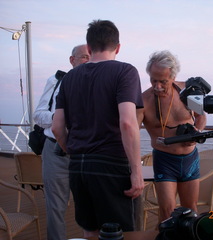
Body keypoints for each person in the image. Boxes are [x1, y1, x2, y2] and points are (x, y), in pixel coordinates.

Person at [52, 20, 144, 238]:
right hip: (111, 165)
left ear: (89, 47)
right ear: (118, 47)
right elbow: (128, 123)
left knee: (90, 231)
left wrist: (72, 150)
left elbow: (57, 127)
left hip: (78, 166)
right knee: (120, 234)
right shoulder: (125, 72)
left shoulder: (69, 78)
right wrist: (136, 171)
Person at [137, 50, 207, 222]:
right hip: (164, 160)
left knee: (191, 210)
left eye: (163, 81)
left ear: (173, 77)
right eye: (154, 80)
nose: (157, 86)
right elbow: (130, 131)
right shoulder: (143, 100)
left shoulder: (186, 91)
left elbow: (201, 116)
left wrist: (197, 131)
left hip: (190, 158)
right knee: (167, 212)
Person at [33, 44, 89, 240]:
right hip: (56, 151)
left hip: (86, 152)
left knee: (90, 206)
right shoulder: (56, 81)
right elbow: (38, 115)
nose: (87, 60)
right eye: (83, 57)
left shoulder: (99, 83)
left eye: (90, 56)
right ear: (72, 60)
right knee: (55, 207)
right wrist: (62, 117)